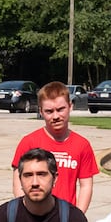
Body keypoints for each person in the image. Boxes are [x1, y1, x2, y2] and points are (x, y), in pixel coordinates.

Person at [13, 81, 99, 211]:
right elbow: (18, 181)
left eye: (60, 109)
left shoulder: (82, 145)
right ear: (41, 112)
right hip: (33, 215)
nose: (56, 116)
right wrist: (24, 213)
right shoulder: (29, 142)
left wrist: (78, 217)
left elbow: (86, 185)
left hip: (66, 216)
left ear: (70, 107)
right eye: (49, 111)